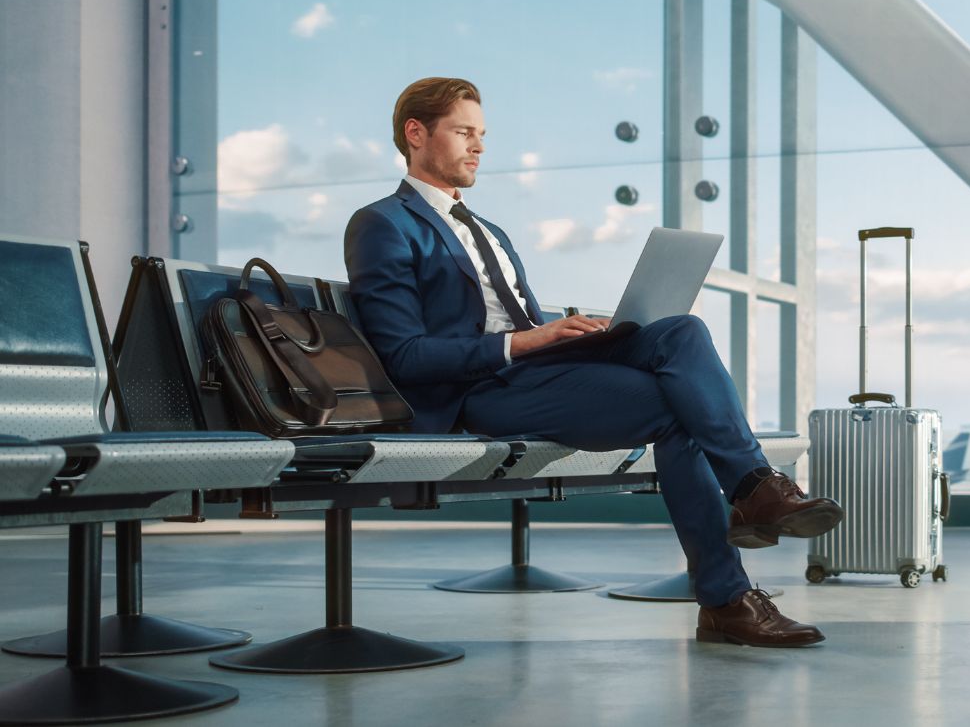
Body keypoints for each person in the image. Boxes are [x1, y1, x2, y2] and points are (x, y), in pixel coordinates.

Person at [344, 77, 843, 647]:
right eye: (464, 133)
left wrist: (573, 336)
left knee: (680, 330)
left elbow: (523, 323)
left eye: (482, 135)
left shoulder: (491, 231)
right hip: (478, 390)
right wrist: (528, 343)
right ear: (415, 134)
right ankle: (732, 582)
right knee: (683, 410)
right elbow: (405, 357)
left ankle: (754, 496)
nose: (479, 147)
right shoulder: (383, 223)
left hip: (538, 366)